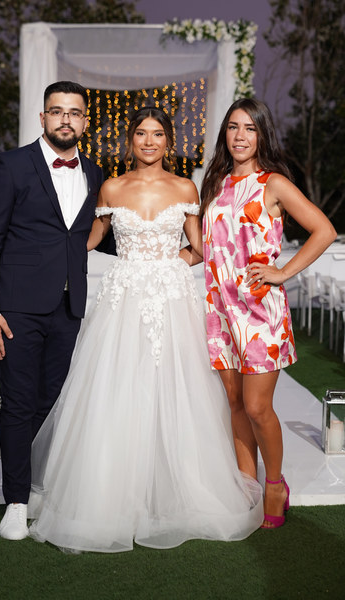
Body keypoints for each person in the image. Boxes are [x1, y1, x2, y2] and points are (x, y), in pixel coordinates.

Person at [27, 106, 264, 553]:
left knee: (177, 389)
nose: (149, 141)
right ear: (130, 140)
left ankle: (176, 491)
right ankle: (109, 495)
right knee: (117, 388)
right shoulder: (112, 187)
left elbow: (200, 247)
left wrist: (171, 264)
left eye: (157, 134)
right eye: (141, 134)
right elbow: (87, 239)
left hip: (172, 299)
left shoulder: (185, 187)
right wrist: (38, 246)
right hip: (123, 300)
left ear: (169, 142)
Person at [181, 98, 337, 529]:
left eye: (250, 128)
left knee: (256, 406)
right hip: (220, 309)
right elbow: (207, 249)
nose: (240, 136)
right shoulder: (213, 184)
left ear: (262, 135)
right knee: (233, 403)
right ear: (224, 134)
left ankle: (274, 483)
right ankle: (246, 488)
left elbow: (323, 230)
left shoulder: (273, 183)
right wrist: (158, 263)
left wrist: (282, 271)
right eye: (233, 127)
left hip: (259, 310)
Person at [0, 80, 115, 541]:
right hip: (16, 309)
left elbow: (94, 235)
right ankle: (16, 501)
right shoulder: (11, 165)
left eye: (74, 113)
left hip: (69, 308)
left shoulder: (94, 172)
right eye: (57, 111)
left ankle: (32, 481)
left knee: (51, 401)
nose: (65, 120)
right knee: (17, 402)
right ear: (43, 118)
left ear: (85, 122)